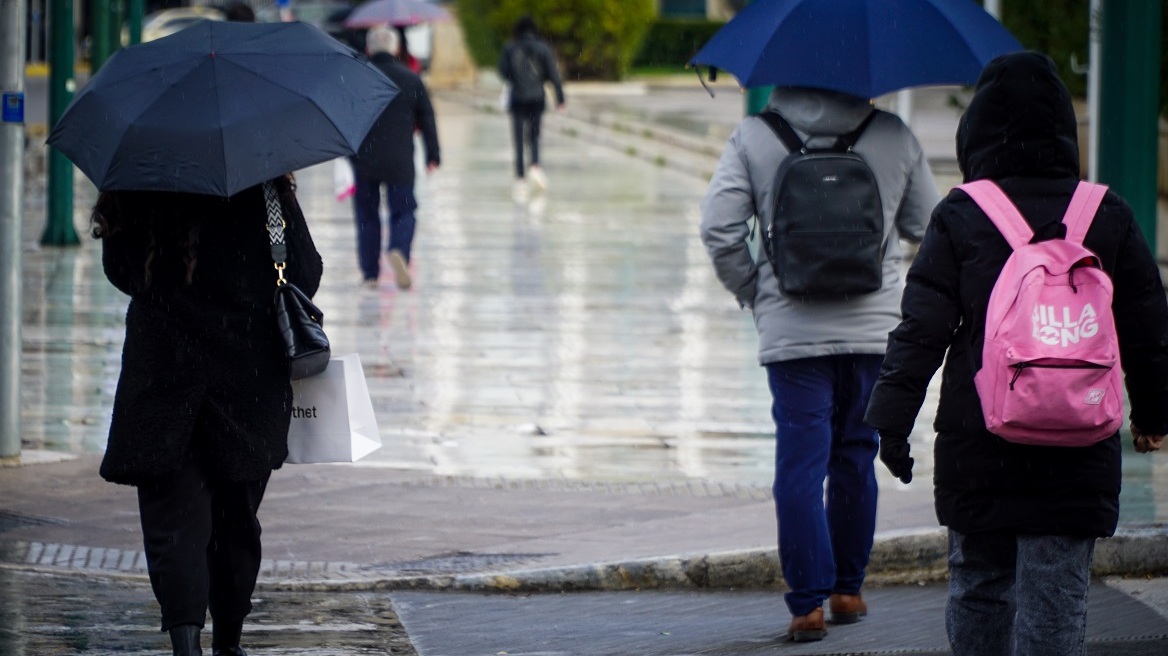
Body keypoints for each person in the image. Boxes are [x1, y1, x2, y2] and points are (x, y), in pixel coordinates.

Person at [864, 51, 1168, 656]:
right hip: (1077, 451)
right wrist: (1155, 414)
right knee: (1056, 603)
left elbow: (919, 330)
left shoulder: (961, 216)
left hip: (980, 446)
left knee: (980, 588)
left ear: (976, 129)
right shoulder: (1105, 213)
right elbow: (1147, 323)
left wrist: (891, 423)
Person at [699, 86, 939, 642]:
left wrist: (755, 291)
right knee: (857, 456)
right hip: (873, 333)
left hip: (793, 334)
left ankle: (806, 605)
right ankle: (848, 590)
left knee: (800, 467)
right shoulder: (893, 135)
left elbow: (719, 229)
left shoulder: (754, 137)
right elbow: (928, 226)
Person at [92, 175, 323, 656]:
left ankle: (185, 644)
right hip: (247, 377)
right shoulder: (261, 184)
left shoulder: (140, 181)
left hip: (162, 376)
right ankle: (229, 642)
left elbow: (120, 269)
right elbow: (305, 271)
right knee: (236, 520)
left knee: (173, 521)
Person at [351, 24, 440, 290]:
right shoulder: (411, 78)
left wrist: (344, 155)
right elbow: (427, 117)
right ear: (397, 49)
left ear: (368, 49)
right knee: (404, 210)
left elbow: (344, 118)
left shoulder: (356, 78)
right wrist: (433, 154)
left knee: (367, 215)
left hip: (364, 158)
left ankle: (370, 274)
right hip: (400, 158)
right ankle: (399, 248)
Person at [497, 14, 564, 199]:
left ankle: (520, 179)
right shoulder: (543, 49)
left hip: (517, 97)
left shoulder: (510, 48)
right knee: (534, 134)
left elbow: (503, 71)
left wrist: (514, 77)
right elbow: (553, 74)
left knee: (518, 138)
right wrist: (560, 98)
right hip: (537, 97)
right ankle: (535, 166)